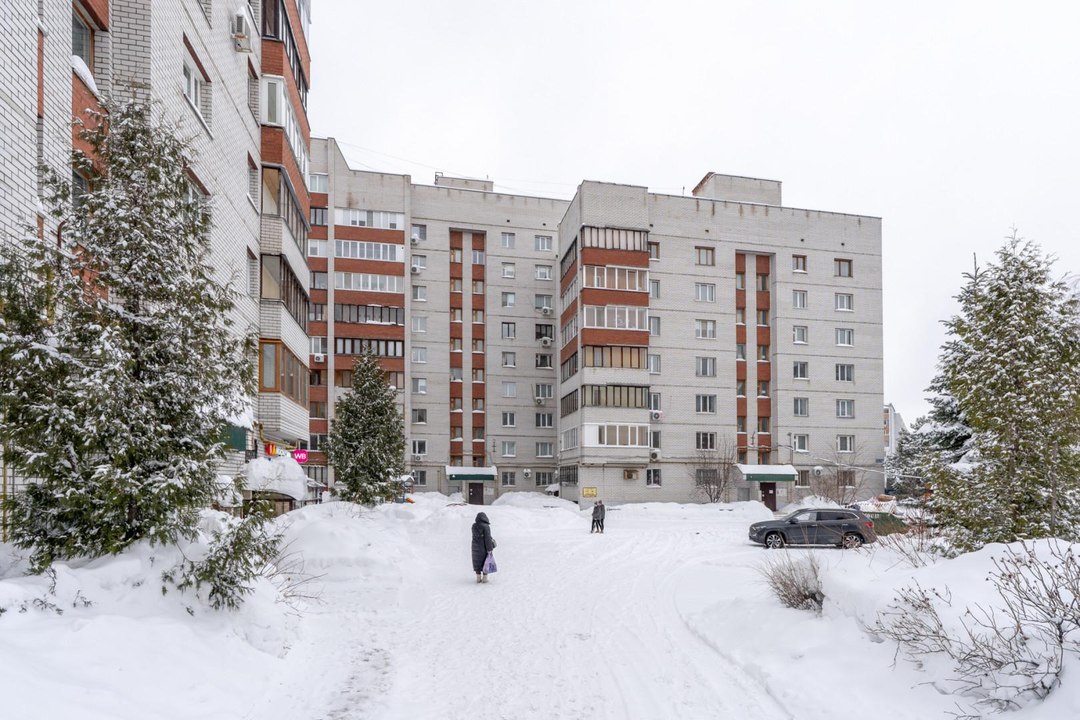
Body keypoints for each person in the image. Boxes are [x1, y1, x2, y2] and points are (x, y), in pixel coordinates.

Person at [471, 512, 496, 583]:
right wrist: (489, 549)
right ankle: (484, 579)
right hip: (483, 548)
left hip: (475, 547)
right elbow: (487, 539)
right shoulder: (486, 526)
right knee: (485, 562)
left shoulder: (474, 526)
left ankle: (478, 578)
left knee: (477, 562)